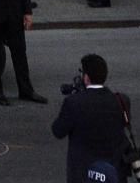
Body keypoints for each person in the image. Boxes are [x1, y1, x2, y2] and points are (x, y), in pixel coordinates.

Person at [51, 53, 132, 183]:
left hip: (83, 174)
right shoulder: (122, 100)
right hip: (114, 172)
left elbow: (58, 131)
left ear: (86, 78)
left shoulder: (73, 103)